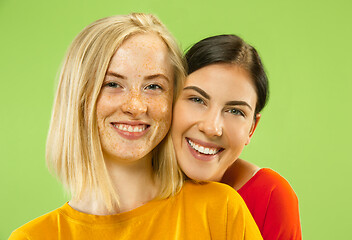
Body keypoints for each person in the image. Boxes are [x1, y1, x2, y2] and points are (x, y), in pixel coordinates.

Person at [9, 14, 262, 239]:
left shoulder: (221, 210)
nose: (136, 106)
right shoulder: (34, 237)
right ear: (79, 96)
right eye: (113, 84)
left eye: (154, 87)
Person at [171, 34, 302, 240]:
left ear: (252, 128)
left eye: (235, 111)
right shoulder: (130, 182)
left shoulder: (271, 197)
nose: (212, 128)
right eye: (197, 99)